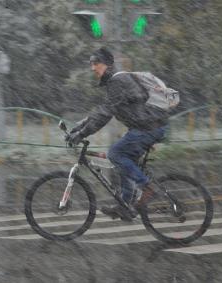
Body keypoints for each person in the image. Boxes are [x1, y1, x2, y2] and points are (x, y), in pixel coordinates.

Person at [66, 47, 169, 221]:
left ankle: (147, 187)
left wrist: (82, 134)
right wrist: (80, 126)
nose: (93, 68)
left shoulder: (118, 80)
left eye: (96, 63)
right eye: (91, 64)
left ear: (107, 64)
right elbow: (103, 109)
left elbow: (106, 114)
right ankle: (125, 205)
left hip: (149, 127)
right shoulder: (116, 81)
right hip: (149, 126)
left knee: (116, 153)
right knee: (123, 159)